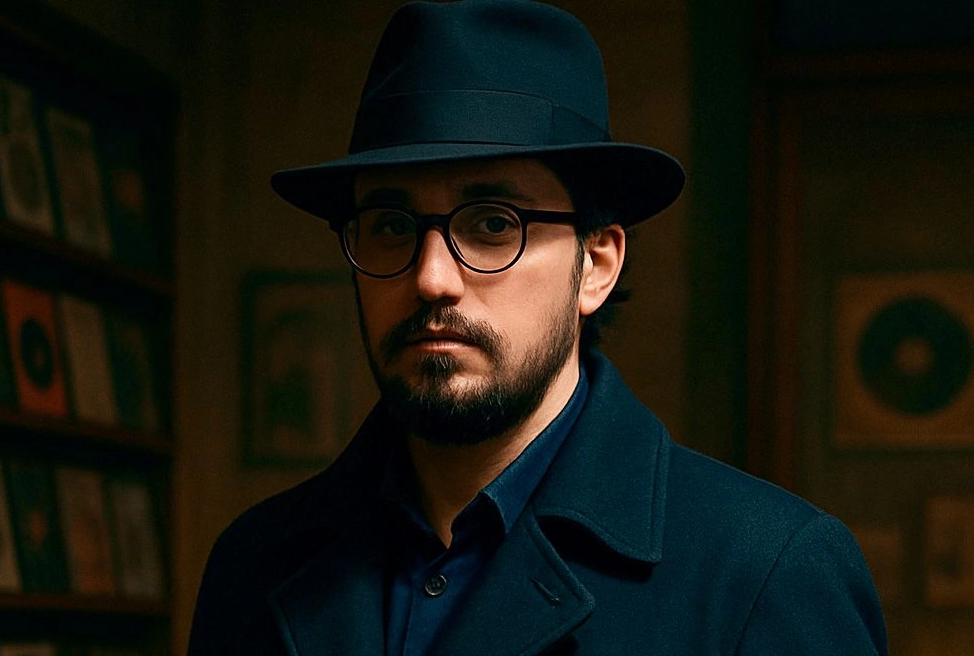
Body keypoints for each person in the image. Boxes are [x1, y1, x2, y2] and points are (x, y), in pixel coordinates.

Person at [188, 1, 888, 654]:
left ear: (596, 265)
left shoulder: (766, 573)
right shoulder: (254, 563)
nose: (431, 277)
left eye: (494, 224)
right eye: (391, 226)